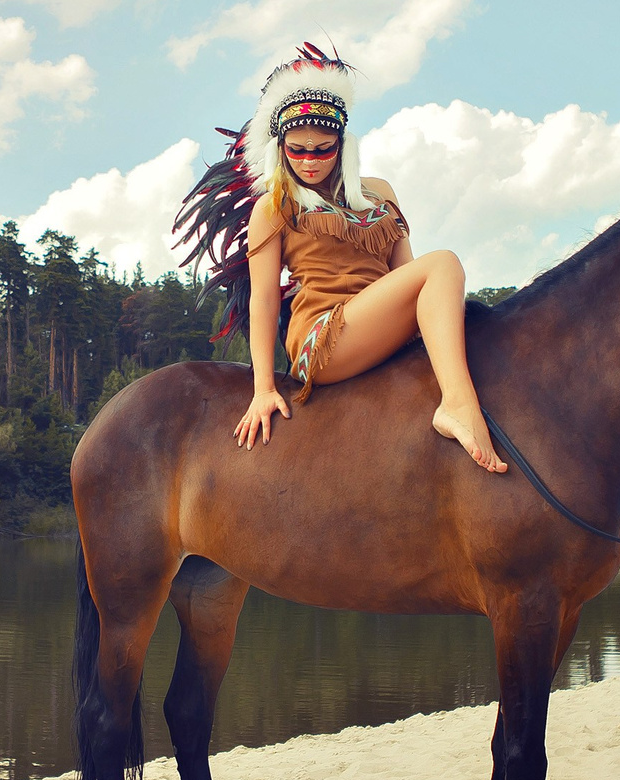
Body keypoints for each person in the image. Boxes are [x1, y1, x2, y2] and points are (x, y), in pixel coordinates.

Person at [174, 45, 507, 472]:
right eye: (297, 149)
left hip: (380, 323)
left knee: (453, 291)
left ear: (343, 144)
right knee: (443, 262)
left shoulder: (379, 193)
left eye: (322, 149)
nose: (309, 161)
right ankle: (458, 407)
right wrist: (262, 388)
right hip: (325, 338)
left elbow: (405, 275)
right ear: (280, 148)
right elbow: (263, 300)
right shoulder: (274, 206)